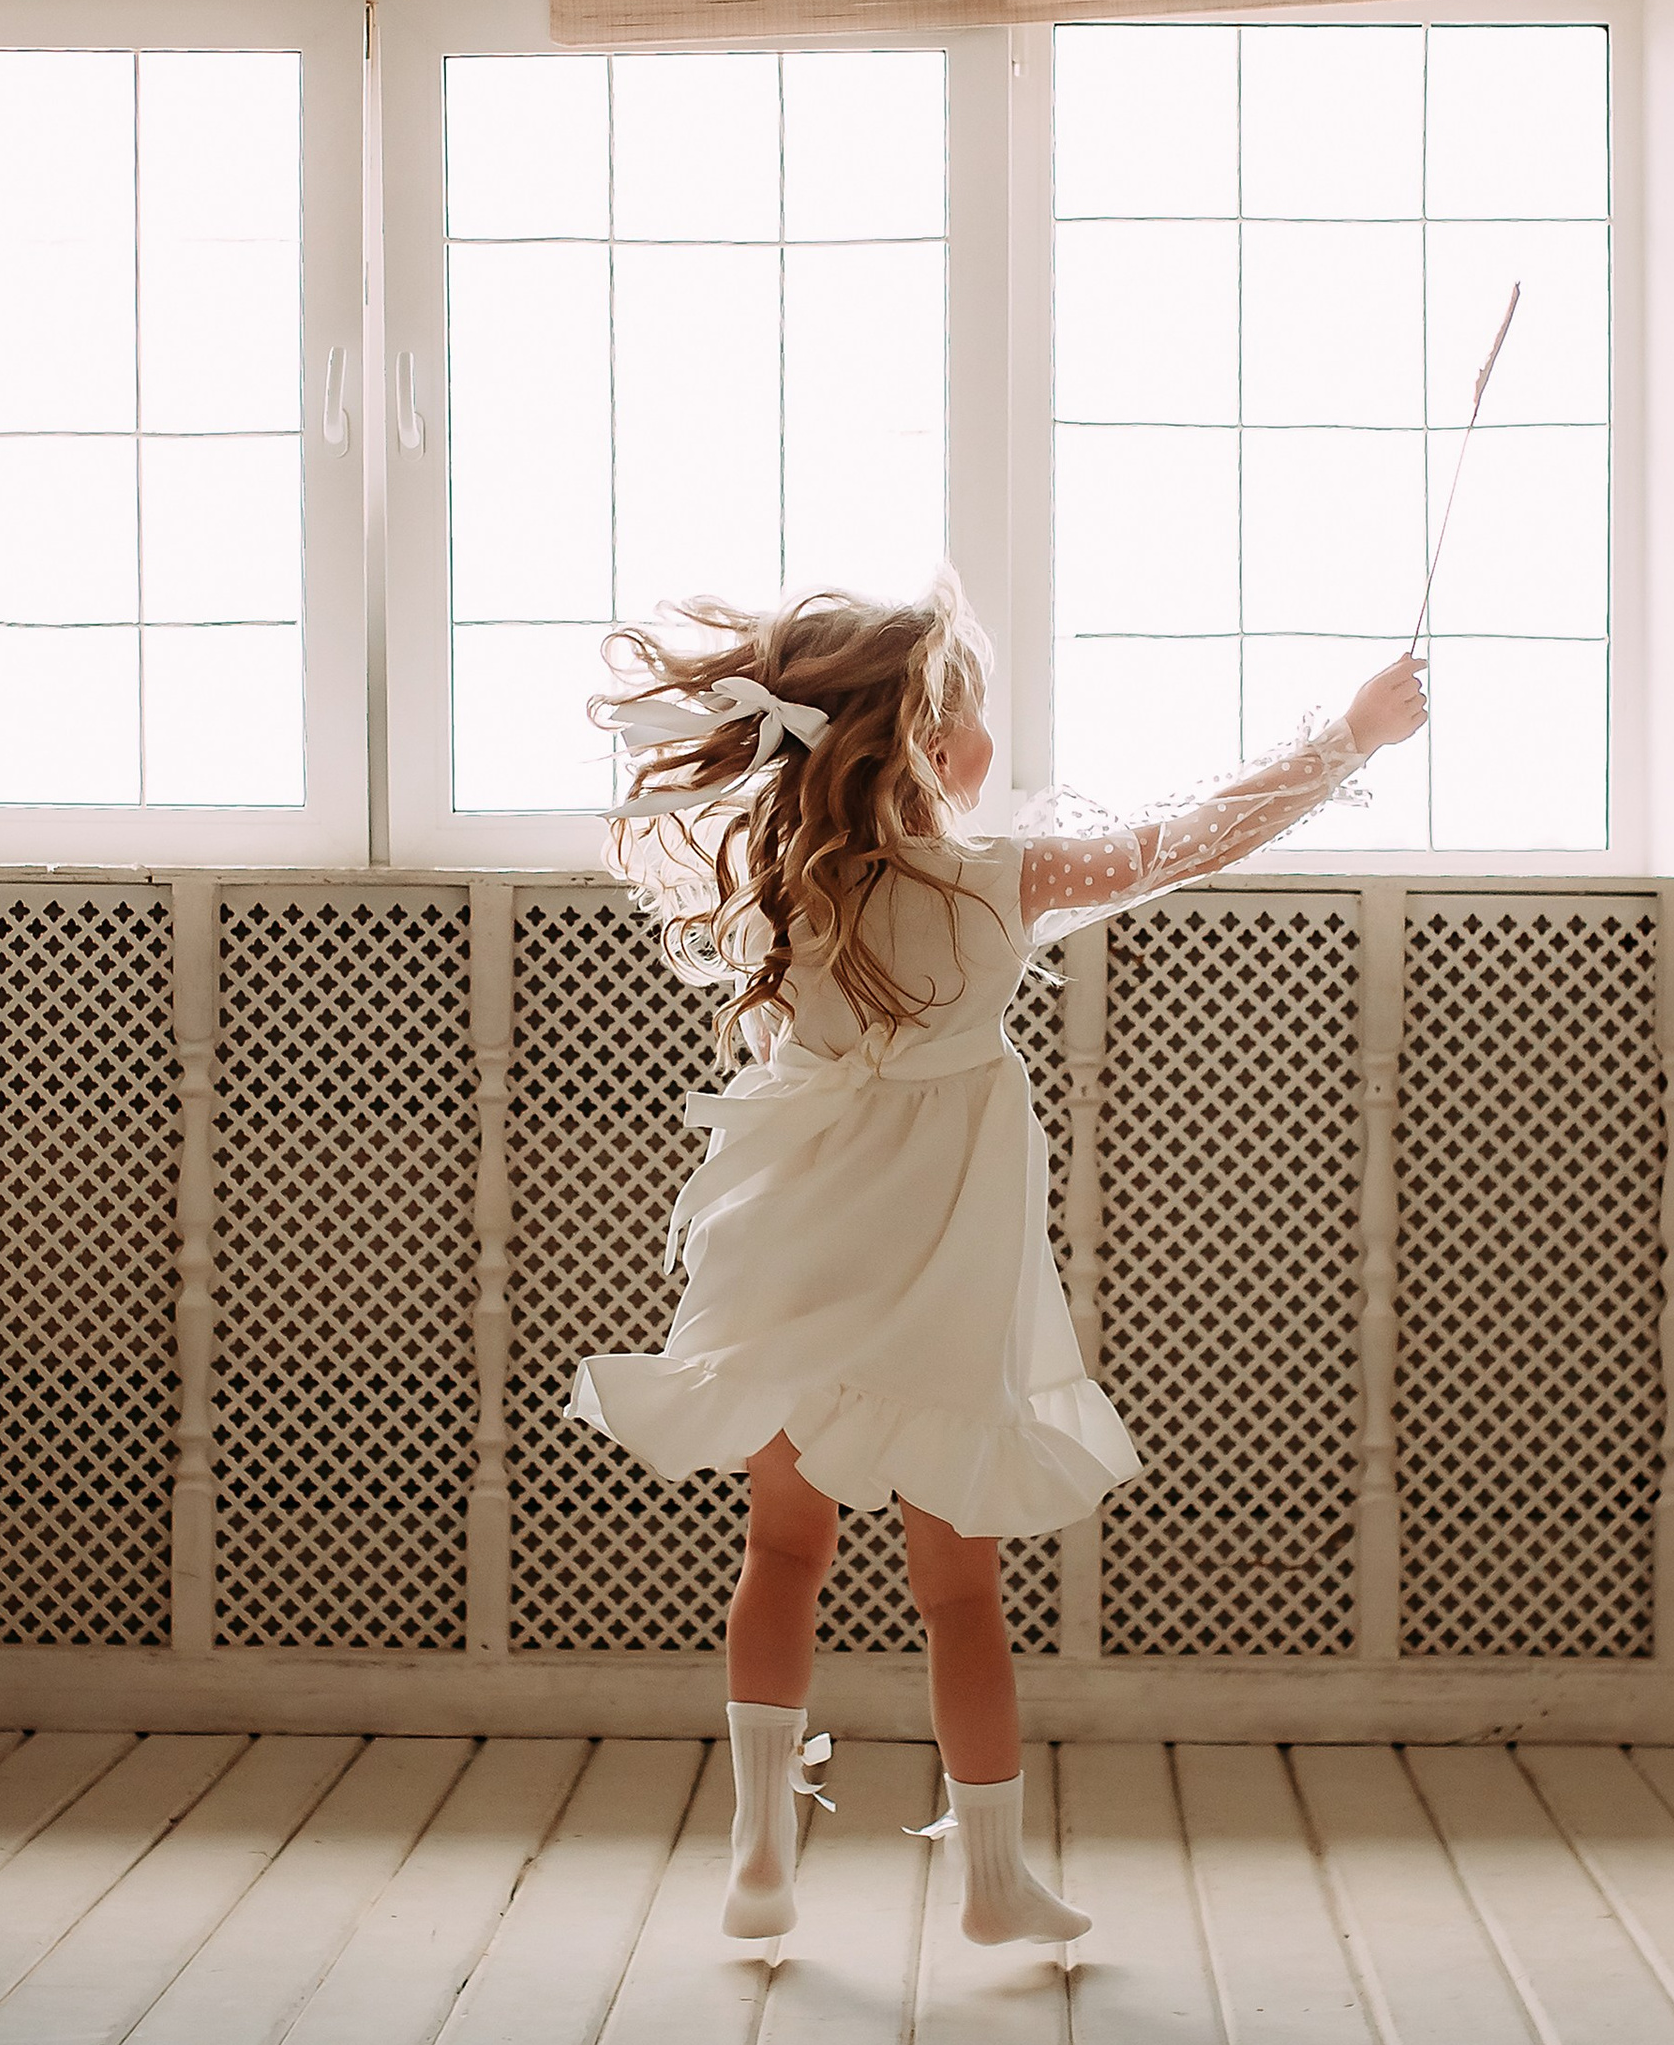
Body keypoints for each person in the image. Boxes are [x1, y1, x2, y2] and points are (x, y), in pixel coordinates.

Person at [567, 574, 1428, 1947]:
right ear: (925, 739)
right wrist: (1352, 736)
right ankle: (992, 1879)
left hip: (791, 1254)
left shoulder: (792, 878)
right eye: (975, 718)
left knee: (781, 1552)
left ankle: (757, 1855)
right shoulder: (994, 881)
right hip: (935, 1278)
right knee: (957, 1590)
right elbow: (1191, 840)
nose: (990, 747)